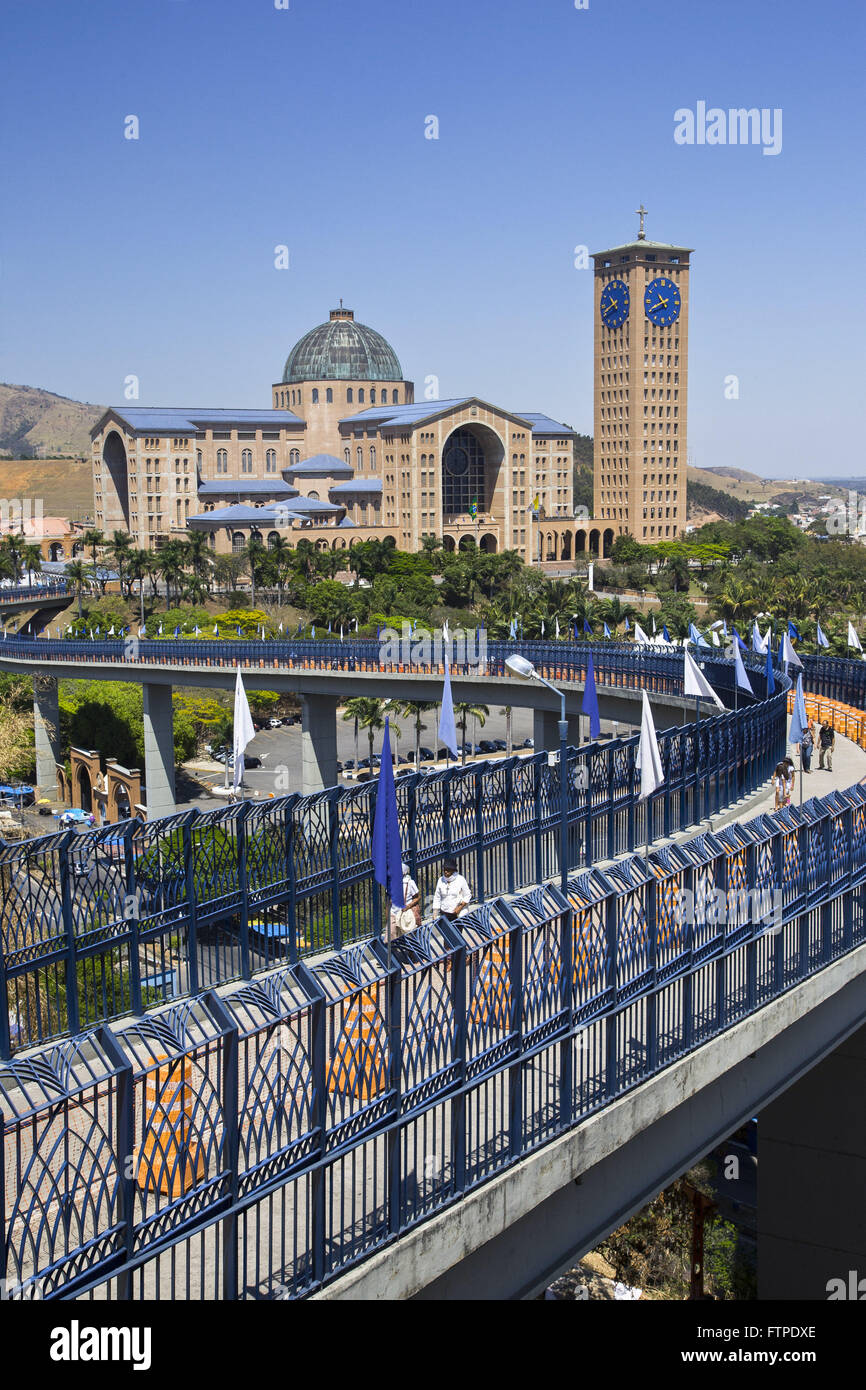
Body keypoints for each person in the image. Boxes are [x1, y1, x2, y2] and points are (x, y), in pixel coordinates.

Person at [431, 857, 472, 921]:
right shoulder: (440, 880)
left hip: (457, 914)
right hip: (444, 913)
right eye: (444, 870)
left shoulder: (460, 879)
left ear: (453, 870)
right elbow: (437, 897)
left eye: (448, 870)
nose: (445, 872)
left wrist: (459, 907)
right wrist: (435, 913)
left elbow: (467, 895)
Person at [388, 861, 421, 940]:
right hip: (393, 912)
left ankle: (411, 951)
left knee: (409, 936)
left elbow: (417, 897)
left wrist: (408, 906)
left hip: (405, 913)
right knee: (391, 935)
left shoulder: (409, 882)